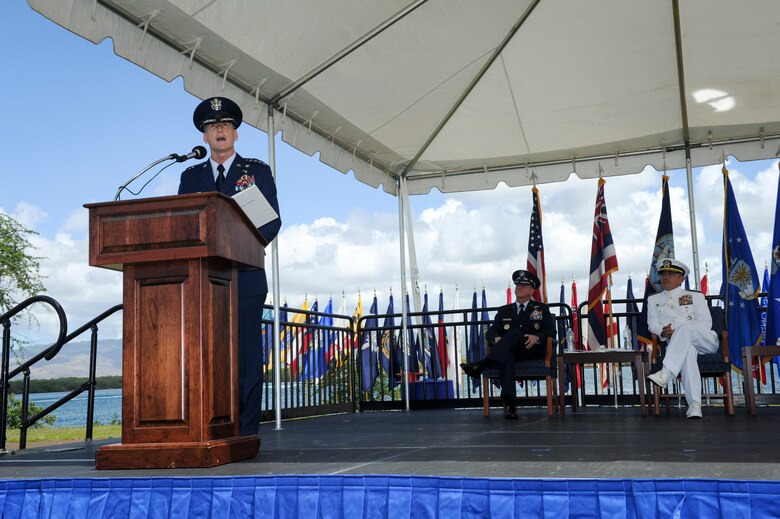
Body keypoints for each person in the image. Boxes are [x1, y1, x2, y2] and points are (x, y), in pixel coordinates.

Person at [178, 96, 282, 436]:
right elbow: (183, 224)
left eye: (225, 126)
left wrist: (238, 246)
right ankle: (212, 425)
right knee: (208, 355)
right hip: (205, 281)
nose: (219, 130)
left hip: (245, 278)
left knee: (247, 358)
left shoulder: (257, 172)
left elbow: (270, 224)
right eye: (212, 126)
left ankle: (247, 430)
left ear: (235, 134)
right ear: (205, 138)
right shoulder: (190, 177)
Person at [460, 270, 555, 419]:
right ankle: (510, 405)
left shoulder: (541, 309)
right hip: (510, 350)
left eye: (524, 285)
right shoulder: (504, 310)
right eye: (518, 284)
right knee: (509, 354)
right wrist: (496, 338)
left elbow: (551, 331)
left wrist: (537, 337)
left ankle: (483, 364)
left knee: (515, 333)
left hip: (531, 350)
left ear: (532, 290)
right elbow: (491, 332)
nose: (519, 287)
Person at [646, 258, 717, 419]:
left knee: (685, 329)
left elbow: (706, 323)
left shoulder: (695, 297)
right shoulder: (653, 300)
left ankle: (666, 373)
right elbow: (652, 325)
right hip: (679, 346)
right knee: (688, 351)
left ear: (681, 279)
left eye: (670, 274)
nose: (665, 277)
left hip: (704, 340)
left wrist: (681, 330)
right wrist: (663, 333)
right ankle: (695, 405)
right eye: (663, 274)